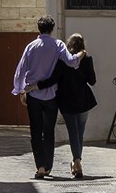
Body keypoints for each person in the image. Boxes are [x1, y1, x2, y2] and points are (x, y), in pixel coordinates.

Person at [12, 16, 83, 179]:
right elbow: (71, 62)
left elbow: (20, 70)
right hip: (51, 95)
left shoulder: (31, 46)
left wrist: (20, 90)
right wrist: (81, 54)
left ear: (39, 28)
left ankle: (41, 167)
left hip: (33, 95)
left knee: (35, 131)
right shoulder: (58, 45)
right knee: (48, 131)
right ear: (52, 29)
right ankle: (49, 165)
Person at [37, 32, 96, 178]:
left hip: (66, 101)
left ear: (69, 44)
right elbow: (92, 80)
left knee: (73, 132)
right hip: (83, 100)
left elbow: (53, 79)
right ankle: (77, 162)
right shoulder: (87, 59)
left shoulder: (62, 60)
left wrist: (37, 86)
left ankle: (77, 161)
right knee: (80, 132)